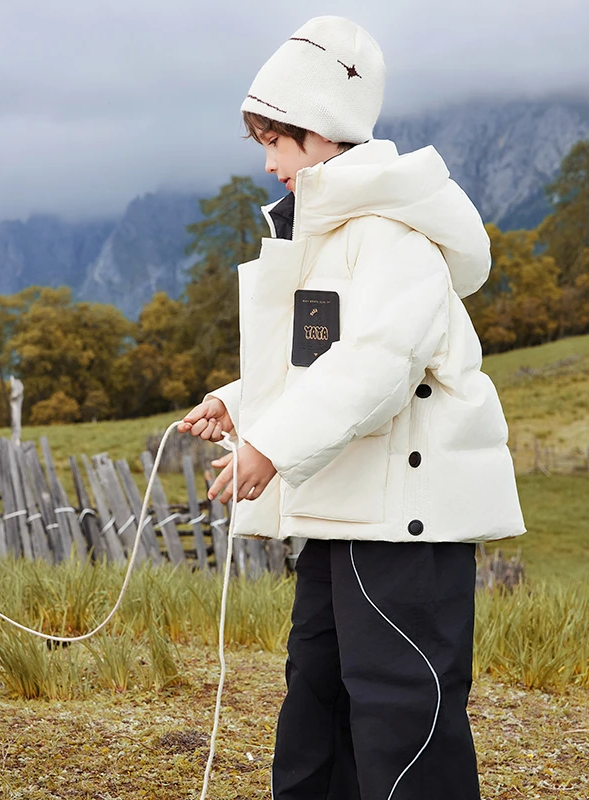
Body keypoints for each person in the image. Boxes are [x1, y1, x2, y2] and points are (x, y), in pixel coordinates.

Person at [179, 15, 525, 800]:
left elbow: (378, 368)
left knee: (403, 720)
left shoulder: (395, 236)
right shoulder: (332, 235)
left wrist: (270, 448)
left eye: (278, 143)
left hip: (406, 522)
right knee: (318, 702)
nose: (268, 165)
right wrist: (239, 405)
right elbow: (321, 361)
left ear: (325, 131)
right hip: (344, 511)